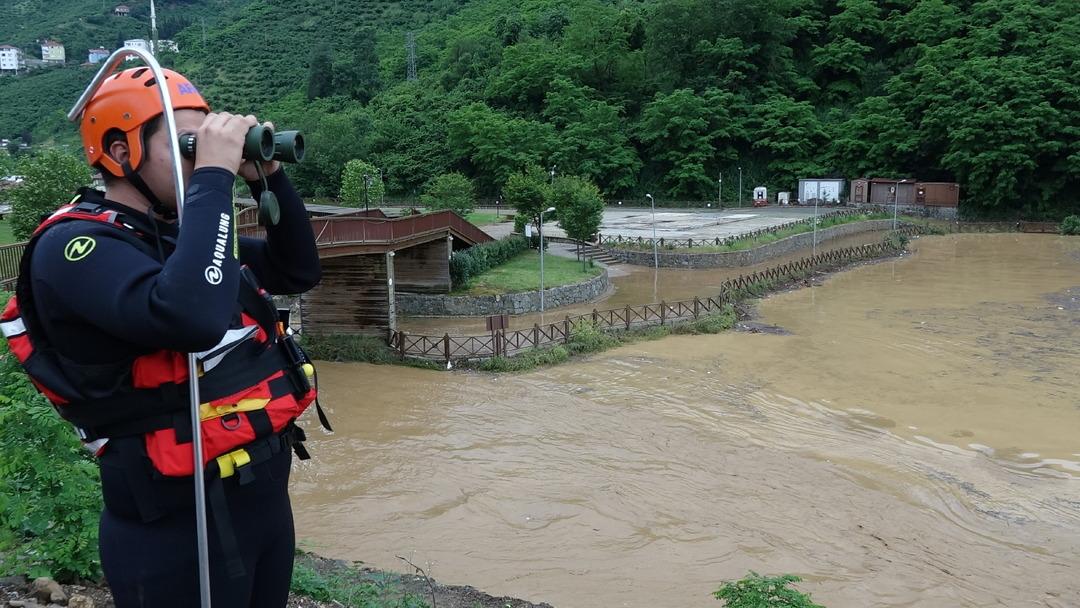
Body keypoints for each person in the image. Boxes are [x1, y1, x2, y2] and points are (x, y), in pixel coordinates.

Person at [1, 67, 325, 606]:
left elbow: (297, 270)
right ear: (118, 152)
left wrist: (266, 176)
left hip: (261, 500)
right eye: (185, 144)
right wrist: (214, 182)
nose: (201, 157)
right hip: (176, 524)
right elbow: (190, 317)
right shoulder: (75, 248)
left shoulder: (175, 239)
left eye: (204, 142)